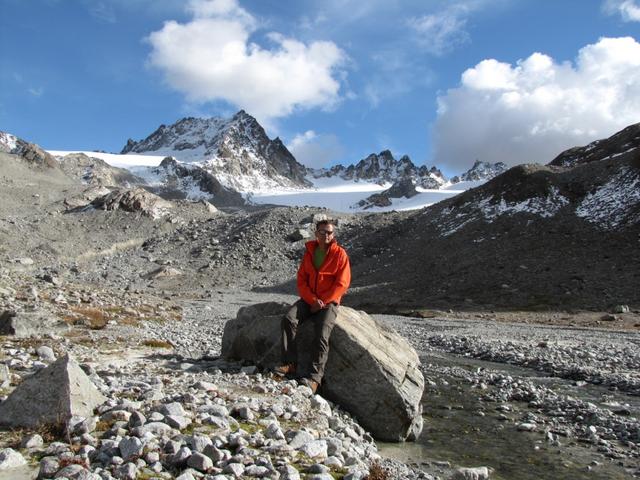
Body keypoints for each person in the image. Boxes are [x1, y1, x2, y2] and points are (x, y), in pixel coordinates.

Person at [276, 219, 351, 393]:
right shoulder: (310, 252)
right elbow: (302, 280)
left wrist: (323, 302)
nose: (327, 235)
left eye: (330, 232)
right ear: (316, 234)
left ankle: (314, 378)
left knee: (321, 333)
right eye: (323, 232)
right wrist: (312, 299)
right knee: (289, 319)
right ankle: (289, 364)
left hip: (329, 302)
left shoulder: (340, 254)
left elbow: (342, 284)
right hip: (310, 300)